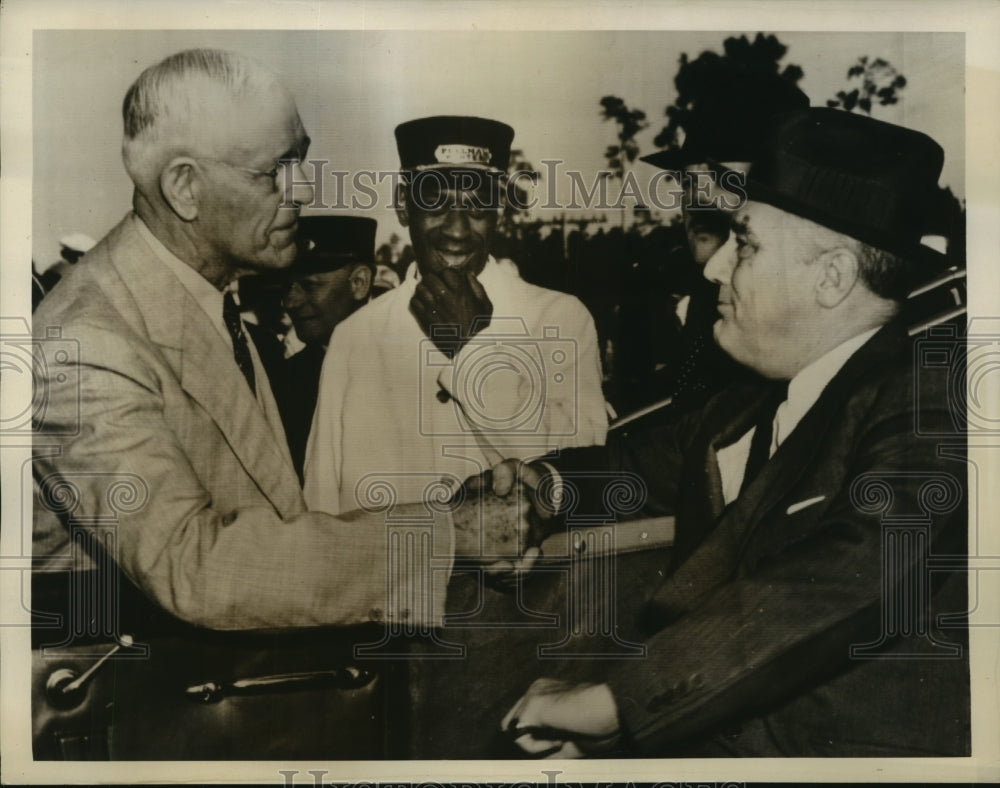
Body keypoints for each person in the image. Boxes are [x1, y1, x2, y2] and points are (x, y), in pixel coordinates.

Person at [495, 108, 969, 757]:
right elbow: (629, 468)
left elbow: (859, 570)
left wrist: (617, 704)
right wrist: (539, 488)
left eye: (745, 245)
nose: (716, 269)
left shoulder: (931, 400)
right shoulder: (743, 411)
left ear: (831, 278)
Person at [32, 50, 528, 633]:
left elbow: (274, 514)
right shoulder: (85, 343)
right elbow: (199, 570)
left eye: (305, 162)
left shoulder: (195, 299)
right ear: (185, 188)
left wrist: (450, 516)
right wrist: (450, 535)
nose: (303, 190)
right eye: (276, 172)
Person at [303, 116, 608, 515]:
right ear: (402, 205)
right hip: (391, 576)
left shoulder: (560, 320)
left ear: (497, 210)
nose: (457, 230)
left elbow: (575, 482)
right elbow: (321, 504)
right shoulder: (354, 337)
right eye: (435, 202)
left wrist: (471, 351)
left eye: (477, 207)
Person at [636, 66, 809, 417]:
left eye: (725, 180)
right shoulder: (696, 293)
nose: (697, 199)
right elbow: (691, 395)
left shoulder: (793, 301)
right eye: (688, 180)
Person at [278, 215, 377, 478]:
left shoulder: (407, 366)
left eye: (309, 286)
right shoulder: (286, 379)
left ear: (359, 283)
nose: (290, 302)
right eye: (287, 286)